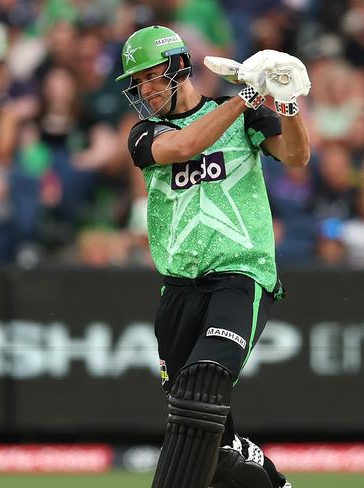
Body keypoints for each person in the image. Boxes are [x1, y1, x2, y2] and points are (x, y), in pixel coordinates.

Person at [117, 25, 310, 488]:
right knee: (210, 444)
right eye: (138, 82)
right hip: (179, 288)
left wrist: (285, 103)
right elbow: (184, 146)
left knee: (206, 377)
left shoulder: (242, 116)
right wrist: (244, 97)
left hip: (240, 276)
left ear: (179, 66)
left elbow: (297, 157)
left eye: (152, 76)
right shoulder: (146, 133)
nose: (146, 89)